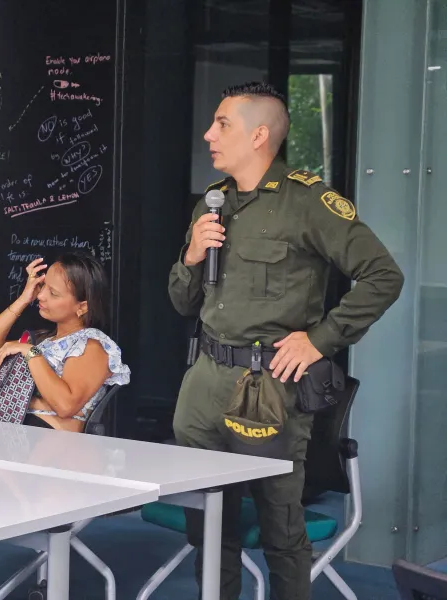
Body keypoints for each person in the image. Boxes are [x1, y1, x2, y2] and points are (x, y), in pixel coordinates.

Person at [169, 82, 403, 600]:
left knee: (280, 527)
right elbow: (183, 302)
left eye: (222, 124)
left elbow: (383, 276)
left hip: (268, 388)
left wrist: (321, 340)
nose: (208, 135)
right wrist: (191, 257)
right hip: (204, 381)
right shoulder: (212, 203)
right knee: (207, 525)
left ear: (258, 135)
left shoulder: (308, 202)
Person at [0, 251, 130, 433]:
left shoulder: (91, 345)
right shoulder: (45, 341)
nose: (41, 295)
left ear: (82, 307)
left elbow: (65, 405)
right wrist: (24, 299)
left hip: (44, 437)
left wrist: (30, 352)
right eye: (43, 285)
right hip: (13, 431)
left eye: (53, 293)